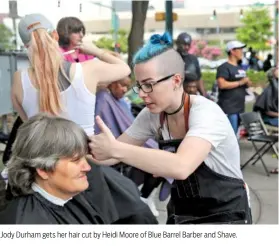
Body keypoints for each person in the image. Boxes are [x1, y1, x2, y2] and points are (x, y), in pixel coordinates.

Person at [89, 32, 252, 224]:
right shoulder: (152, 116)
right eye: (139, 86)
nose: (141, 94)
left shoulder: (206, 113)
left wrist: (115, 149)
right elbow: (108, 155)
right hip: (183, 211)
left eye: (149, 85)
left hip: (226, 214)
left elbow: (181, 166)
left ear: (175, 80)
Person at [0, 115, 157, 224]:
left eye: (84, 158)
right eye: (76, 160)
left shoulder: (72, 199)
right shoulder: (25, 226)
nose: (88, 167)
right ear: (43, 169)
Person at [12, 13, 130, 135]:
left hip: (40, 152)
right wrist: (97, 51)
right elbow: (125, 68)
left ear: (26, 45)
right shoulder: (88, 70)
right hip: (81, 151)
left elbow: (27, 123)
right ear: (55, 35)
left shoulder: (18, 79)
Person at [95, 76, 164, 216]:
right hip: (115, 144)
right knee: (157, 160)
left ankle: (145, 197)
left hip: (128, 141)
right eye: (121, 85)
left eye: (127, 86)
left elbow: (128, 123)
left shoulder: (121, 101)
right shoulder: (103, 99)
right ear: (112, 83)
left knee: (162, 159)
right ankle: (140, 196)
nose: (125, 89)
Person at [216, 40, 252, 134]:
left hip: (240, 107)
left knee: (236, 134)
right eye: (240, 49)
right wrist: (240, 82)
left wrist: (247, 82)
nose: (242, 52)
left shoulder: (240, 67)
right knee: (231, 135)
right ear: (232, 51)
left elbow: (245, 82)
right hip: (229, 108)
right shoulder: (224, 67)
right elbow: (222, 84)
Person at [176, 32, 207, 97]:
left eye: (188, 45)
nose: (187, 47)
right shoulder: (171, 58)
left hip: (191, 96)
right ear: (178, 44)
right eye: (184, 45)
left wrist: (204, 95)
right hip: (176, 96)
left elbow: (199, 78)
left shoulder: (193, 58)